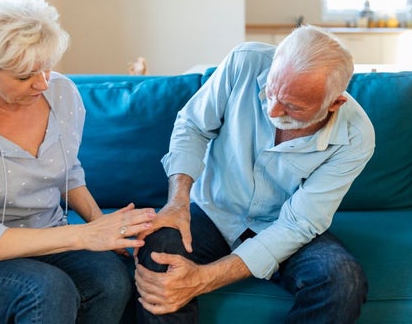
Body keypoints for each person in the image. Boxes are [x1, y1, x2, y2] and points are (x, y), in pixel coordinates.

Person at [0, 0, 156, 323]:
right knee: (46, 289)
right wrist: (83, 235)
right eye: (24, 76)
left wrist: (102, 225)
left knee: (110, 279)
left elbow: (68, 172)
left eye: (46, 68)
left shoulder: (63, 93)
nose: (41, 83)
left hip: (44, 236)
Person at [134, 25, 375, 323]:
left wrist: (204, 278)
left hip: (282, 224)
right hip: (213, 211)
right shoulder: (244, 62)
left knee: (343, 280)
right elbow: (192, 126)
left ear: (334, 104)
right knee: (158, 251)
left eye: (292, 107)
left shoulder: (356, 136)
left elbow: (298, 224)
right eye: (271, 91)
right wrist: (178, 202)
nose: (272, 110)